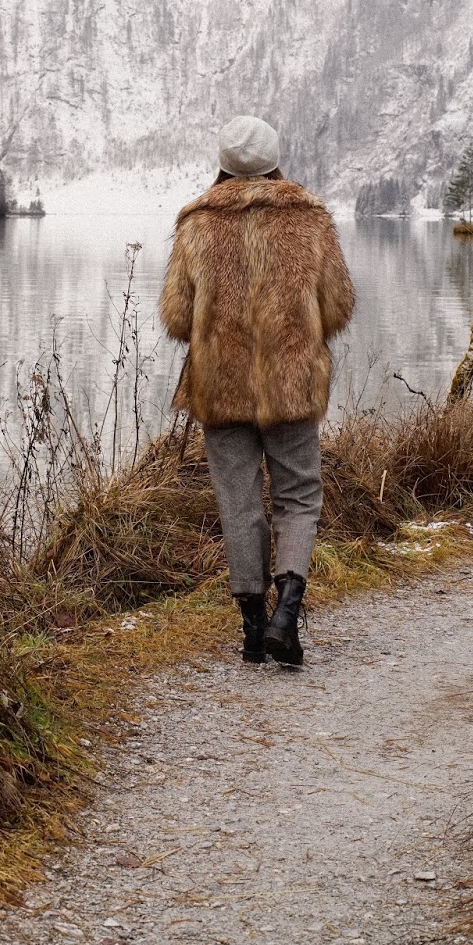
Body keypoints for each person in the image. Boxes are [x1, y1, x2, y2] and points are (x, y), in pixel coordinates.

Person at [159, 115, 355, 667]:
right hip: (291, 383)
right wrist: (298, 331)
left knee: (238, 498)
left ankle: (252, 628)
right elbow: (337, 306)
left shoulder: (197, 222)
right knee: (298, 496)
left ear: (223, 162)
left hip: (219, 388)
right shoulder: (310, 220)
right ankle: (286, 618)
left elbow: (176, 317)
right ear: (275, 159)